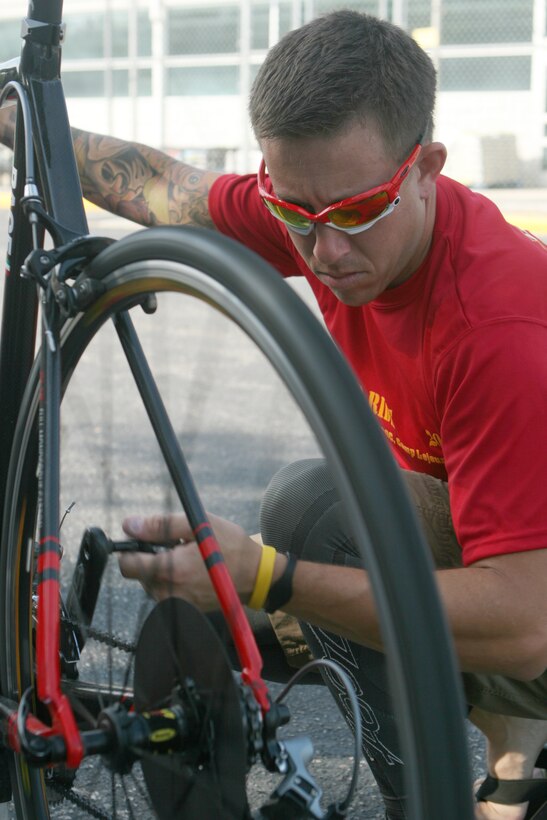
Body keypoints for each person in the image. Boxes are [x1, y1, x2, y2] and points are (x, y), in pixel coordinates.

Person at [1, 10, 546, 820]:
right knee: (262, 569)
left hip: (530, 606)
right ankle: (518, 753)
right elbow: (167, 191)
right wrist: (26, 125)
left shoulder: (499, 327)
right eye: (293, 212)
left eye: (354, 213)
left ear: (426, 165)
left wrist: (271, 576)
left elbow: (525, 621)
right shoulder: (336, 213)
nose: (323, 252)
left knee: (315, 517)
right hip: (510, 562)